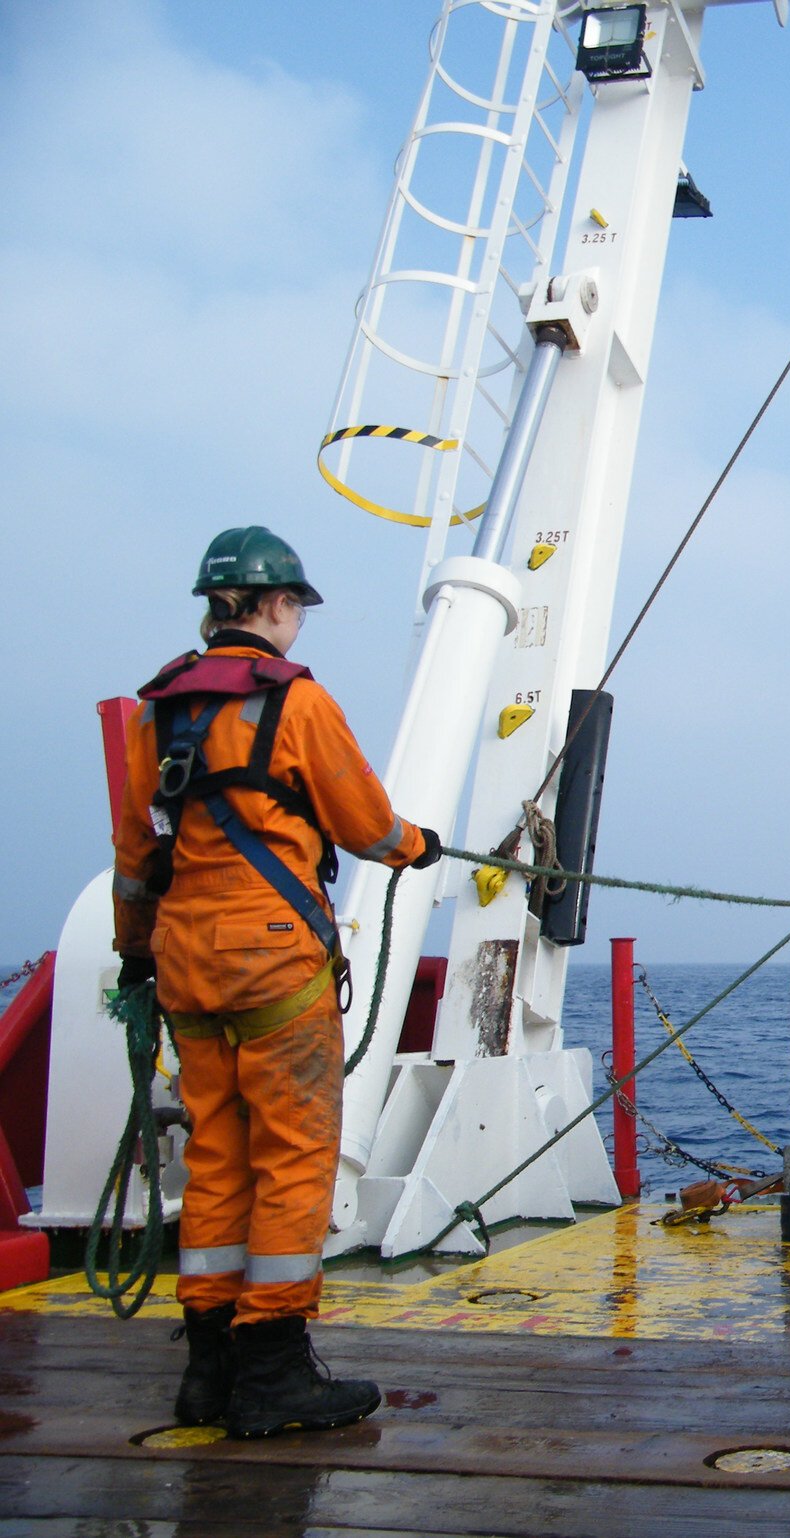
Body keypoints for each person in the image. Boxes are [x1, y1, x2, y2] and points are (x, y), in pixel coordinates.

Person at [110, 527, 441, 1439]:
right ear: (279, 607)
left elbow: (136, 855)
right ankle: (272, 1372)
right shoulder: (295, 703)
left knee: (215, 1153)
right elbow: (367, 822)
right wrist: (419, 847)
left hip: (184, 960)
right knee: (292, 1155)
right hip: (271, 957)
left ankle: (208, 1368)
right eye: (296, 606)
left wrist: (136, 950)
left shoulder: (158, 711)